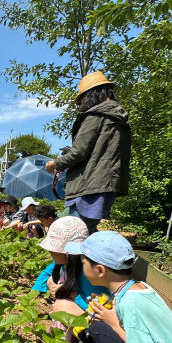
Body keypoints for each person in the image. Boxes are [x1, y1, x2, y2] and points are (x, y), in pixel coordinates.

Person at [45, 71, 132, 234]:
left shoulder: (96, 116)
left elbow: (78, 152)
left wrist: (55, 164)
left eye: (83, 98)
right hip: (104, 184)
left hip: (88, 185)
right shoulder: (118, 118)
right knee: (88, 231)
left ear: (92, 94)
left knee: (76, 235)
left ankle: (77, 261)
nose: (82, 103)